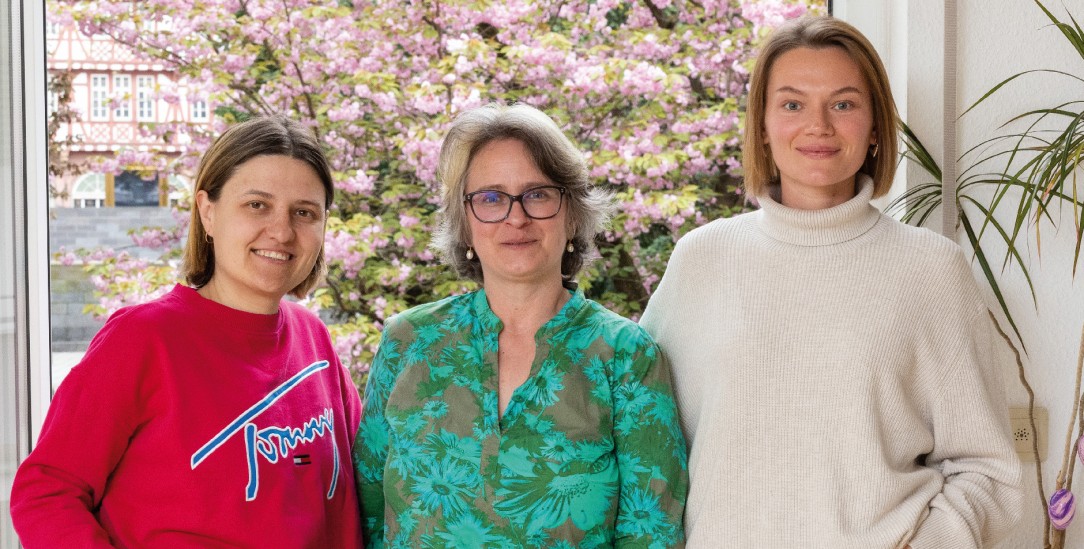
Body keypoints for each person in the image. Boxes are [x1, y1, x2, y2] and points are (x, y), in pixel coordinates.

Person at [639, 15, 1023, 549]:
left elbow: (988, 471)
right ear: (764, 126)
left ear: (873, 128)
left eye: (843, 103)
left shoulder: (931, 270)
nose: (817, 125)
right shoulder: (700, 260)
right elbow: (641, 439)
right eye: (792, 104)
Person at [10, 115, 365, 548]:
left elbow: (363, 486)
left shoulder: (315, 342)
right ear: (208, 211)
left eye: (304, 213)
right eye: (257, 205)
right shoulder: (142, 340)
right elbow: (47, 491)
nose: (282, 230)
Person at [353, 103, 688, 548]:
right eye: (490, 198)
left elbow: (651, 534)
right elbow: (368, 515)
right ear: (465, 222)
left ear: (572, 213)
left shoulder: (627, 356)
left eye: (538, 193)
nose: (516, 217)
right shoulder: (408, 342)